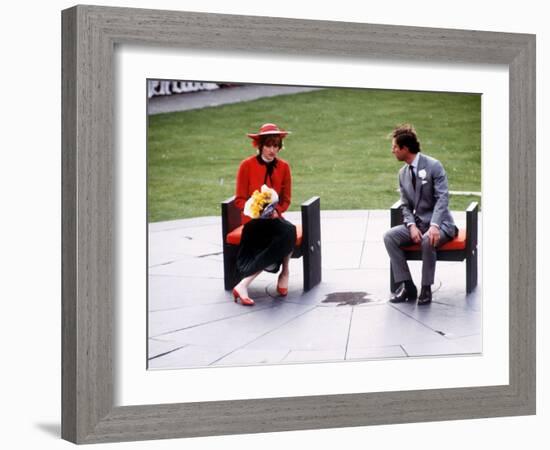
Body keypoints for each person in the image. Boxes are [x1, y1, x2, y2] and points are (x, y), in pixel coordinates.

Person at [383, 124, 458, 305]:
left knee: (427, 239)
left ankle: (426, 287)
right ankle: (407, 286)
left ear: (405, 149)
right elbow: (405, 205)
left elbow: (442, 198)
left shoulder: (434, 166)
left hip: (442, 225)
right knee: (389, 237)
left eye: (395, 147)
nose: (392, 151)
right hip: (419, 224)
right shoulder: (402, 173)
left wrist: (434, 226)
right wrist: (411, 225)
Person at [231, 123, 297, 306]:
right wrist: (255, 210)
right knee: (285, 232)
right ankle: (245, 284)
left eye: (276, 145)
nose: (272, 150)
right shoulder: (246, 165)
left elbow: (286, 200)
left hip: (274, 220)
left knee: (288, 230)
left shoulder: (284, 167)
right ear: (260, 146)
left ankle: (285, 272)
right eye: (268, 145)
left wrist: (276, 211)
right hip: (254, 223)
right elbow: (239, 200)